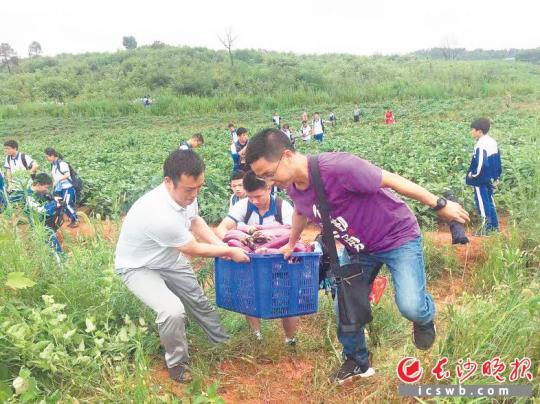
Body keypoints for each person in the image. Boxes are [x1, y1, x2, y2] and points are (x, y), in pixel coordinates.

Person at [245, 129, 470, 384]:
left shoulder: (339, 167)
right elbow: (300, 211)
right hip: (359, 248)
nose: (269, 181)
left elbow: (393, 180)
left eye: (269, 174)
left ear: (286, 156)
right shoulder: (294, 186)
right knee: (345, 306)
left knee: (411, 306)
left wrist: (440, 205)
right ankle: (357, 361)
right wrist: (291, 243)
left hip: (397, 237)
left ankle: (424, 318)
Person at [114, 150, 249, 384]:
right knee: (172, 311)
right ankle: (177, 362)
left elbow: (195, 221)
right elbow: (192, 249)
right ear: (168, 181)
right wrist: (229, 251)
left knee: (197, 300)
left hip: (167, 256)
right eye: (189, 189)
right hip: (138, 267)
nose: (194, 194)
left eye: (199, 187)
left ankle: (220, 340)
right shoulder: (158, 214)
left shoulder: (186, 195)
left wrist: (220, 243)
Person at [215, 171, 296, 343]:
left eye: (258, 196)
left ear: (269, 188)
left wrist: (267, 236)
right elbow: (222, 229)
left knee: (286, 298)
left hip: (278, 262)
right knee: (248, 296)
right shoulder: (243, 206)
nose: (255, 201)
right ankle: (256, 336)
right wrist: (236, 239)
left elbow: (292, 234)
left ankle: (290, 339)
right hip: (249, 260)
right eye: (251, 197)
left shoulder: (283, 207)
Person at [466, 118, 502, 234]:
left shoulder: (481, 144)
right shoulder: (492, 141)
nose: (471, 132)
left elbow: (481, 163)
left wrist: (473, 174)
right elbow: (497, 160)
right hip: (490, 178)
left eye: (473, 130)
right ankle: (494, 227)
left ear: (479, 131)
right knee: (489, 201)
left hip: (480, 179)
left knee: (482, 203)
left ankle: (485, 230)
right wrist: (497, 177)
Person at [44, 148, 79, 228]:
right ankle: (63, 220)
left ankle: (75, 220)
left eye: (47, 157)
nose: (46, 159)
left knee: (66, 204)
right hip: (59, 188)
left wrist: (57, 180)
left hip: (68, 187)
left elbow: (67, 175)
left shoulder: (62, 164)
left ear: (52, 155)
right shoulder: (53, 164)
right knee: (60, 203)